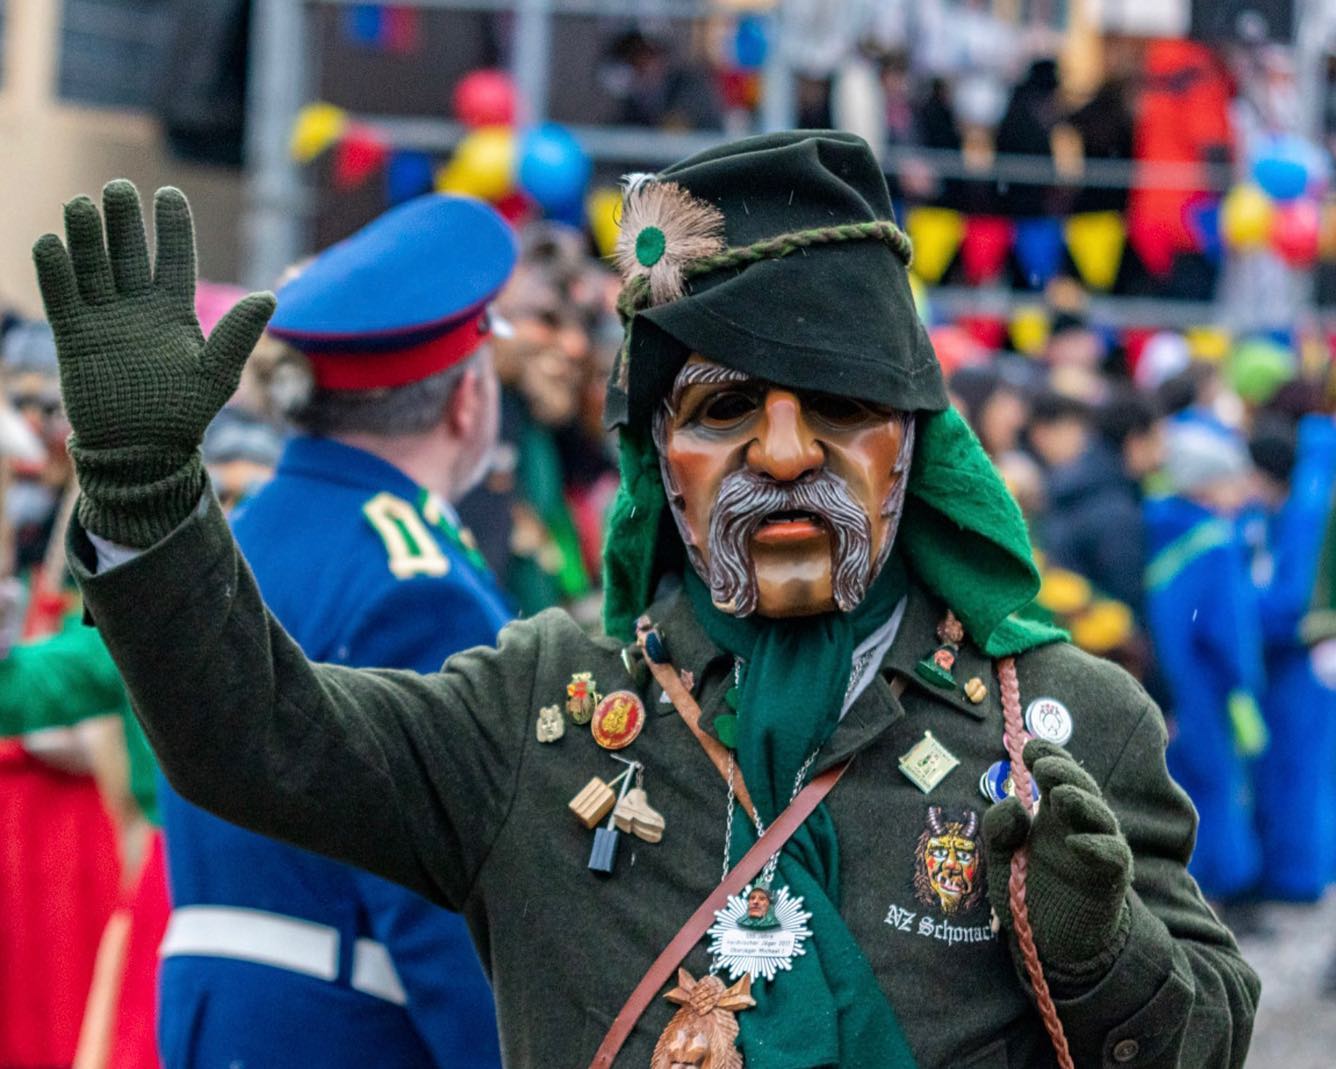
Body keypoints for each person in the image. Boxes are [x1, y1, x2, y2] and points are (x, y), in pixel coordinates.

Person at [36, 133, 1257, 1068]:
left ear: (913, 450)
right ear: (656, 463)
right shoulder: (538, 701)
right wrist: (149, 504)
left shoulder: (1057, 718)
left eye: (835, 407)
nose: (782, 453)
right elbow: (255, 738)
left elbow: (1208, 1037)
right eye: (723, 409)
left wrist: (1102, 955)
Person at [152, 196, 510, 1066]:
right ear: (465, 398)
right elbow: (437, 891)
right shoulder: (417, 584)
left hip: (221, 1013)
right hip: (350, 1028)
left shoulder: (237, 535)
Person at [1143, 417, 1266, 924]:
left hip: (1166, 682)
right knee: (1218, 789)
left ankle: (1178, 893)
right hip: (1210, 689)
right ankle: (1220, 898)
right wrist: (1244, 682)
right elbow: (1228, 630)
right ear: (1209, 483)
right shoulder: (1215, 541)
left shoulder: (1149, 522)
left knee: (1177, 786)